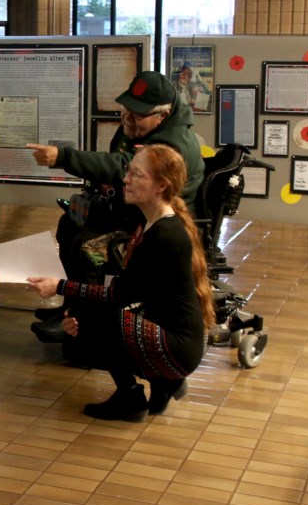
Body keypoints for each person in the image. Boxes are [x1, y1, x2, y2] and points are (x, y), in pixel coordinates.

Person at [27, 144, 214, 422]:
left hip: (178, 347)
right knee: (90, 314)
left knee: (92, 320)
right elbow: (136, 295)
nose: (126, 179)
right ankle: (164, 384)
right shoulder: (151, 224)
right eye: (129, 172)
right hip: (177, 338)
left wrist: (61, 289)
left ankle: (131, 397)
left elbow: (118, 296)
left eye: (137, 175)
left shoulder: (164, 235)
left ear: (161, 185)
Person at [25, 71, 204, 349]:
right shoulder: (140, 130)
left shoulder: (170, 145)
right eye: (126, 112)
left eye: (138, 115)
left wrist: (64, 156)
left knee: (88, 248)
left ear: (163, 115)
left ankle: (86, 326)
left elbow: (121, 166)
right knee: (70, 225)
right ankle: (71, 310)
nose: (129, 120)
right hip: (132, 215)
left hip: (152, 231)